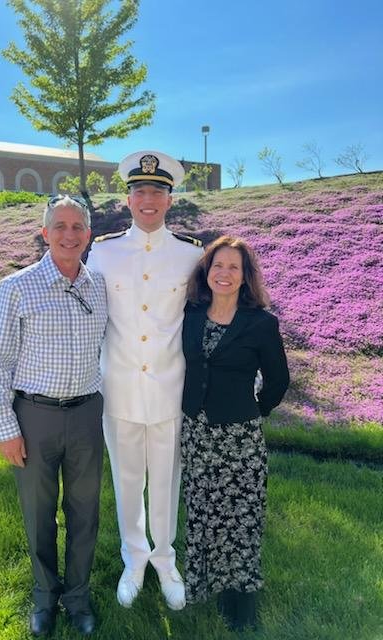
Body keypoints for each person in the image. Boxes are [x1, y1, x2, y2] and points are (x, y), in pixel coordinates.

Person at [0, 195, 107, 637]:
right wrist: (7, 429)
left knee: (84, 511)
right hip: (34, 417)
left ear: (88, 235)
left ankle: (77, 597)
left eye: (77, 227)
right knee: (39, 514)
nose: (69, 235)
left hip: (87, 414)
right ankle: (44, 596)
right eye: (60, 226)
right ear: (45, 233)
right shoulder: (17, 286)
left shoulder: (100, 286)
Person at [86, 150, 203, 611]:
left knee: (167, 481)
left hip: (170, 389)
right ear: (128, 199)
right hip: (119, 388)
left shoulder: (191, 255)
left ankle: (165, 559)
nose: (148, 199)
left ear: (170, 199)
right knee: (127, 481)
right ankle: (134, 559)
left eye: (157, 191)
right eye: (140, 191)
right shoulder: (104, 251)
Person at [181, 235, 289, 631]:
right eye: (218, 265)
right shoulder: (191, 314)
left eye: (233, 267)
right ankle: (208, 585)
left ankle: (242, 599)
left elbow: (278, 380)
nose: (224, 273)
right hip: (195, 434)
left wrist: (254, 412)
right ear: (206, 271)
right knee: (204, 513)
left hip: (239, 438)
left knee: (241, 518)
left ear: (245, 277)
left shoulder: (261, 323)